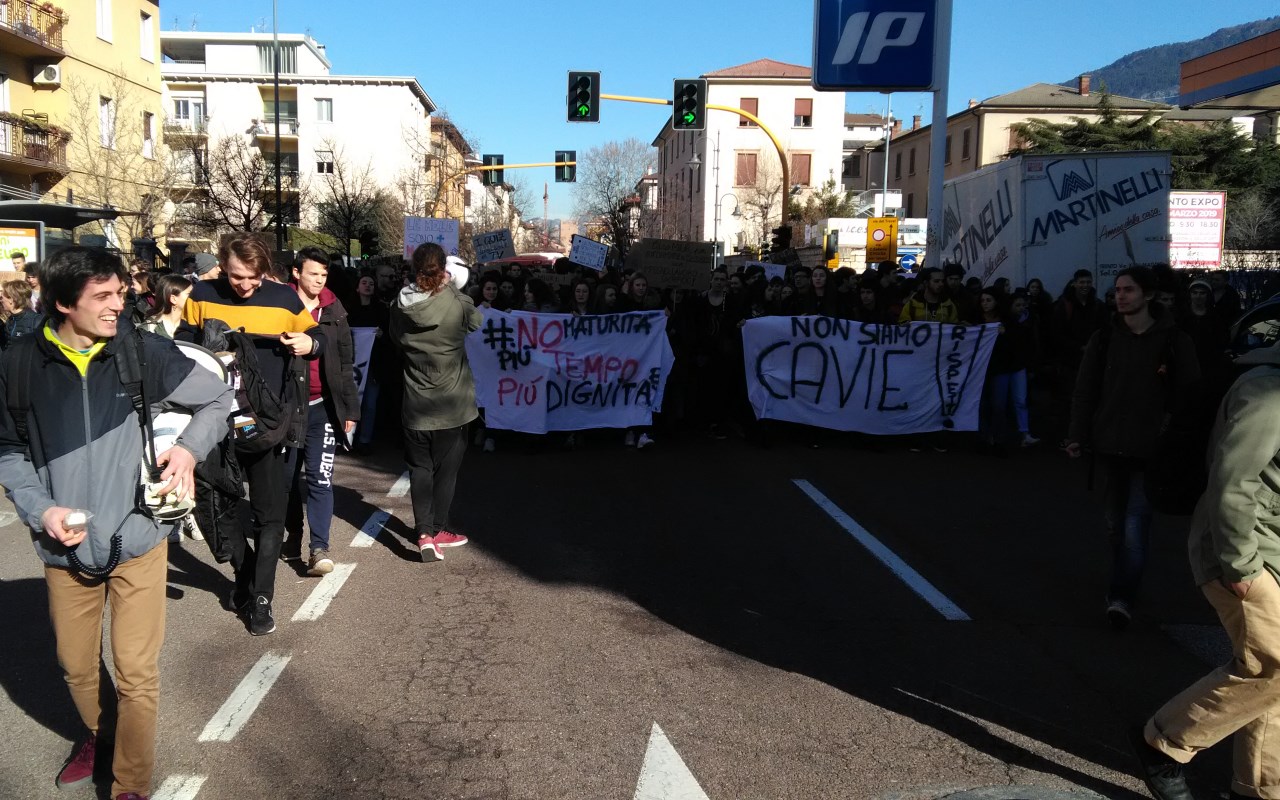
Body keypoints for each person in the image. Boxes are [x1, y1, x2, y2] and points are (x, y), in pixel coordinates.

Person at [0, 246, 232, 800]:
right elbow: (8, 451)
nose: (116, 306)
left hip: (139, 536)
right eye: (102, 296)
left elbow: (217, 398)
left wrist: (188, 451)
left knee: (136, 673)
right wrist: (41, 510)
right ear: (63, 303)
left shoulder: (139, 351)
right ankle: (100, 736)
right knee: (76, 667)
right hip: (64, 546)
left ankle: (131, 783)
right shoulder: (19, 364)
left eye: (120, 293)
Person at [1129, 338, 1280, 800]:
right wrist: (1241, 564)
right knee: (1273, 668)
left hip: (1272, 551)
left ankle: (1259, 789)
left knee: (1271, 679)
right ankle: (1164, 742)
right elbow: (1232, 481)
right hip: (1246, 554)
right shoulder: (1268, 393)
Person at [183, 233, 324, 636]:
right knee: (218, 512)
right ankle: (244, 577)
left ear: (265, 270)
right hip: (213, 423)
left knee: (268, 516)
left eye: (253, 277)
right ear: (223, 268)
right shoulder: (202, 295)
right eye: (236, 276)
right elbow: (182, 349)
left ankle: (262, 597)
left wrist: (310, 342)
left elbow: (319, 337)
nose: (245, 285)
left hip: (266, 424)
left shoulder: (284, 298)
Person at [1065, 267, 1199, 629]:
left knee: (1135, 524)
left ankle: (1122, 596)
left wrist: (1179, 441)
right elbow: (1085, 390)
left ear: (1148, 295)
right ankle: (1123, 577)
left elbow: (1191, 397)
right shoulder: (1104, 338)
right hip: (1109, 445)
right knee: (1114, 525)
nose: (1120, 296)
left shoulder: (1175, 341)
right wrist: (1076, 434)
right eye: (1118, 289)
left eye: (1129, 290)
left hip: (1152, 450)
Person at [391, 243, 481, 563]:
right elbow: (476, 321)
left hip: (416, 403)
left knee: (420, 469)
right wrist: (452, 288)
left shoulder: (399, 304)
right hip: (453, 406)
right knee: (446, 472)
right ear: (444, 269)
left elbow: (396, 340)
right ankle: (437, 528)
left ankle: (424, 534)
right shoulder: (456, 303)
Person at [284, 248, 359, 576]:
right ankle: (293, 534)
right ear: (296, 272)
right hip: (286, 409)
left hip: (323, 408)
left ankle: (319, 548)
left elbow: (345, 362)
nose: (319, 280)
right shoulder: (279, 303)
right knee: (286, 481)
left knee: (320, 478)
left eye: (324, 275)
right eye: (313, 273)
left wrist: (350, 408)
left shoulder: (334, 308)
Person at [348, 271, 391, 454]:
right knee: (351, 402)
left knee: (370, 404)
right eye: (364, 283)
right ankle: (348, 437)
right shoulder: (348, 309)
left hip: (374, 364)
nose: (368, 286)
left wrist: (381, 335)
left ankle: (364, 439)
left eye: (371, 284)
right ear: (357, 287)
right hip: (352, 365)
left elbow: (389, 337)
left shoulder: (381, 310)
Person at [139, 274, 192, 339]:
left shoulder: (196, 326)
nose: (195, 297)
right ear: (173, 299)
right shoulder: (149, 329)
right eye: (189, 294)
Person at [1, 279, 41, 349]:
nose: (1, 301)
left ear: (11, 299)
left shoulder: (37, 321)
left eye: (1, 298)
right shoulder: (10, 320)